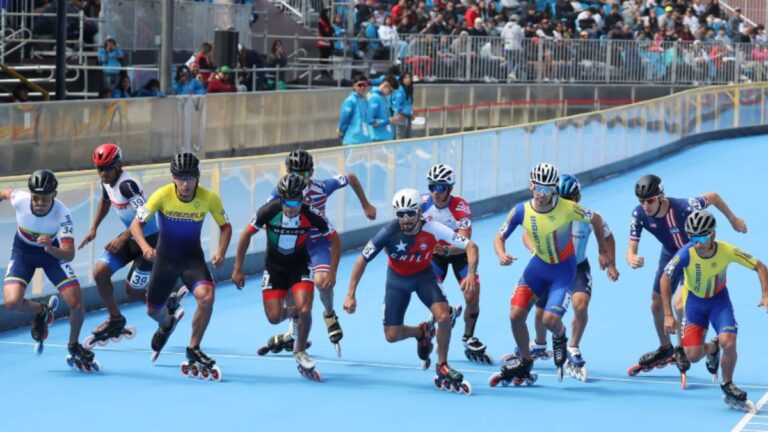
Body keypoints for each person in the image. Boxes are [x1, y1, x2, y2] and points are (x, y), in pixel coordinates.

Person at [344, 188, 478, 394]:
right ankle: (420, 332)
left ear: (419, 212)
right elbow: (362, 259)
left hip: (424, 277)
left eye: (409, 213)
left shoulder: (433, 227)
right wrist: (350, 294)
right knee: (391, 336)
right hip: (397, 282)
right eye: (400, 214)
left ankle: (442, 364)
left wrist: (470, 274)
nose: (405, 219)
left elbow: (470, 246)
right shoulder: (388, 232)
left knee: (443, 317)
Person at [491, 163, 610, 386]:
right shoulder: (520, 211)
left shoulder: (567, 207)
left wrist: (603, 251)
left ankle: (561, 336)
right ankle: (525, 361)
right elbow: (499, 237)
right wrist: (501, 253)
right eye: (538, 188)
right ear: (531, 186)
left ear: (554, 190)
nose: (542, 194)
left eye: (547, 190)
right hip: (537, 268)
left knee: (549, 320)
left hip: (564, 272)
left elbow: (596, 219)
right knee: (515, 315)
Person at [626, 174, 747, 378]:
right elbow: (631, 248)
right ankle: (666, 348)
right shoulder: (639, 214)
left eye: (650, 200)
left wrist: (733, 219)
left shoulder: (684, 207)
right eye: (641, 201)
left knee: (679, 303)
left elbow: (714, 197)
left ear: (661, 196)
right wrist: (631, 257)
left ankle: (681, 348)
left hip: (693, 255)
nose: (645, 205)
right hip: (669, 255)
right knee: (655, 304)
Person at [260, 149, 377, 356]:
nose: (301, 179)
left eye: (305, 174)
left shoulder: (323, 187)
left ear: (312, 172)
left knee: (323, 282)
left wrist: (366, 204)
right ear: (287, 171)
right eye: (295, 174)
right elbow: (264, 215)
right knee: (288, 286)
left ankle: (329, 314)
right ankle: (295, 327)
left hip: (317, 244)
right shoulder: (280, 192)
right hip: (294, 247)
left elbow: (350, 178)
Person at [130, 153, 232, 381]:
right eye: (180, 178)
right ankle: (167, 323)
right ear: (173, 178)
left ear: (197, 177)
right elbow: (137, 224)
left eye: (189, 178)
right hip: (164, 261)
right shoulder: (162, 195)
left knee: (206, 297)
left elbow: (225, 227)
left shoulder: (209, 198)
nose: (185, 184)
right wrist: (145, 247)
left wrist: (221, 252)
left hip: (191, 260)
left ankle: (193, 347)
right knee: (153, 311)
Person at [231, 174, 339, 381]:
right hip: (274, 268)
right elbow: (245, 235)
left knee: (306, 309)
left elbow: (336, 241)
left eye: (294, 202)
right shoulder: (269, 211)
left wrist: (332, 272)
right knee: (273, 318)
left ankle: (299, 351)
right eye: (285, 201)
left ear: (303, 199)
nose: (290, 207)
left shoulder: (312, 214)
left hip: (300, 267)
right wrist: (238, 268)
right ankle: (294, 314)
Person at [661, 210, 767, 411]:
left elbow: (760, 266)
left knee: (729, 341)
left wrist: (766, 294)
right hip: (694, 304)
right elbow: (665, 279)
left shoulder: (727, 250)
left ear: (713, 234)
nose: (697, 243)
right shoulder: (686, 253)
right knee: (692, 356)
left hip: (719, 302)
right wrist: (668, 314)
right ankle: (712, 348)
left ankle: (728, 384)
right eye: (693, 237)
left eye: (702, 237)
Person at [77, 144, 179, 349]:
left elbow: (145, 215)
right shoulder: (106, 181)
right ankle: (116, 319)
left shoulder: (127, 185)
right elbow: (105, 202)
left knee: (132, 290)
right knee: (100, 273)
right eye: (99, 169)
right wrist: (93, 228)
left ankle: (165, 309)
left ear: (118, 165)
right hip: (131, 237)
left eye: (106, 168)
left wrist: (122, 238)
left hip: (150, 240)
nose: (102, 173)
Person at [1, 170, 97, 370]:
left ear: (54, 194)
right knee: (11, 302)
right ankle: (41, 311)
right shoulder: (20, 199)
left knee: (76, 304)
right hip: (22, 253)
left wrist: (51, 248)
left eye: (45, 198)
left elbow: (69, 254)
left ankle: (73, 345)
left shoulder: (63, 214)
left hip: (52, 255)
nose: (39, 202)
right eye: (36, 197)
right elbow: (5, 192)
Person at [421, 164, 491, 363]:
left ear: (450, 188)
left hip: (457, 253)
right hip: (435, 255)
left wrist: (447, 251)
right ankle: (447, 312)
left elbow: (466, 244)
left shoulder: (460, 206)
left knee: (472, 292)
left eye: (440, 187)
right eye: (432, 186)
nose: (435, 191)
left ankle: (468, 336)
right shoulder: (423, 203)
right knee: (428, 291)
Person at [337, 74, 372, 146]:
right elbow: (344, 119)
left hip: (364, 140)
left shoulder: (365, 101)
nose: (362, 87)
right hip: (352, 141)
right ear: (354, 86)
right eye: (360, 85)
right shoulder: (350, 101)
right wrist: (341, 133)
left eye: (365, 85)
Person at [367, 75, 398, 142]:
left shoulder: (384, 98)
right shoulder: (374, 98)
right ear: (385, 85)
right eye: (390, 91)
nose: (390, 94)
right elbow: (371, 121)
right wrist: (388, 120)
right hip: (378, 139)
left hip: (386, 138)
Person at [392, 72, 414, 140]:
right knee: (400, 138)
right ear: (402, 79)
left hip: (407, 116)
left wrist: (411, 113)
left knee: (408, 137)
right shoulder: (400, 90)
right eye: (405, 77)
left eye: (409, 77)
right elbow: (398, 106)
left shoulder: (408, 90)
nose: (408, 79)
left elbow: (408, 104)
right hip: (400, 116)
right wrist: (407, 113)